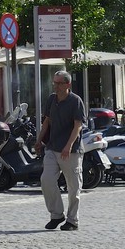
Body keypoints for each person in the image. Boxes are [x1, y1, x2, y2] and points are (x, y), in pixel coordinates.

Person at [36, 70, 86, 232]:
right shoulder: (52, 99)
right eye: (54, 83)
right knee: (47, 180)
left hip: (70, 151)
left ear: (67, 84)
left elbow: (78, 125)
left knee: (73, 187)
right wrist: (39, 140)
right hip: (52, 146)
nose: (55, 86)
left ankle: (72, 220)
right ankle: (57, 215)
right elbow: (47, 121)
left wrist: (69, 145)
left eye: (59, 83)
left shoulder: (75, 101)